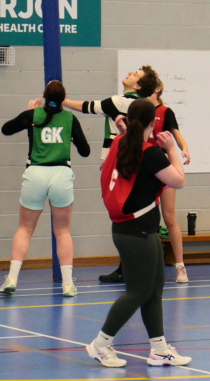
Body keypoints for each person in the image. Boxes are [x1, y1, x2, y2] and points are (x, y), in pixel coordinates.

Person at [85, 99, 191, 368]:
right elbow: (178, 180)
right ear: (153, 123)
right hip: (135, 232)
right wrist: (171, 149)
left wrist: (122, 130)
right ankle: (100, 343)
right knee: (137, 292)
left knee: (154, 289)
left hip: (141, 230)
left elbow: (128, 143)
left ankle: (159, 349)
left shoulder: (122, 143)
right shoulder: (152, 153)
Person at [62, 66, 159, 283]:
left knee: (123, 210)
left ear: (138, 86)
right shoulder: (133, 104)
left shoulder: (121, 102)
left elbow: (89, 107)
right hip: (129, 159)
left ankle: (134, 267)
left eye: (135, 75)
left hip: (125, 161)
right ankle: (129, 267)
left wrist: (62, 100)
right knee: (132, 208)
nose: (130, 72)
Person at [0, 81, 90, 297]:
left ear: (44, 95)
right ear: (63, 99)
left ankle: (11, 278)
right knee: (63, 231)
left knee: (25, 229)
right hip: (61, 174)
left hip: (36, 173)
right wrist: (70, 137)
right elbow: (85, 151)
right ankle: (67, 284)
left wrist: (29, 114)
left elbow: (6, 129)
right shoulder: (70, 118)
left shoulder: (32, 116)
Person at [148, 78, 191, 283]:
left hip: (162, 167)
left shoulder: (165, 112)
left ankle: (180, 266)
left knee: (169, 217)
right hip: (144, 169)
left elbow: (177, 134)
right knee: (146, 220)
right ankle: (149, 267)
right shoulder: (137, 109)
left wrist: (183, 147)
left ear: (156, 89)